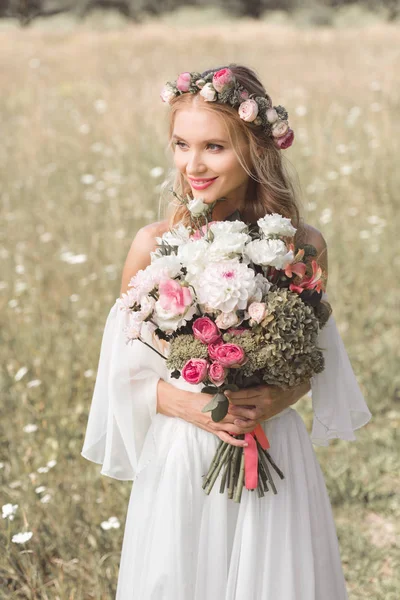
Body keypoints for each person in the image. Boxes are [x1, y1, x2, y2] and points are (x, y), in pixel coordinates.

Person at [81, 64, 372, 599]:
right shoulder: (155, 245)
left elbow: (312, 359)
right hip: (187, 448)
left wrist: (274, 398)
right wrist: (192, 406)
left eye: (214, 147)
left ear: (256, 150)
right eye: (180, 144)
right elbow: (123, 371)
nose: (192, 164)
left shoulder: (301, 246)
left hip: (272, 444)